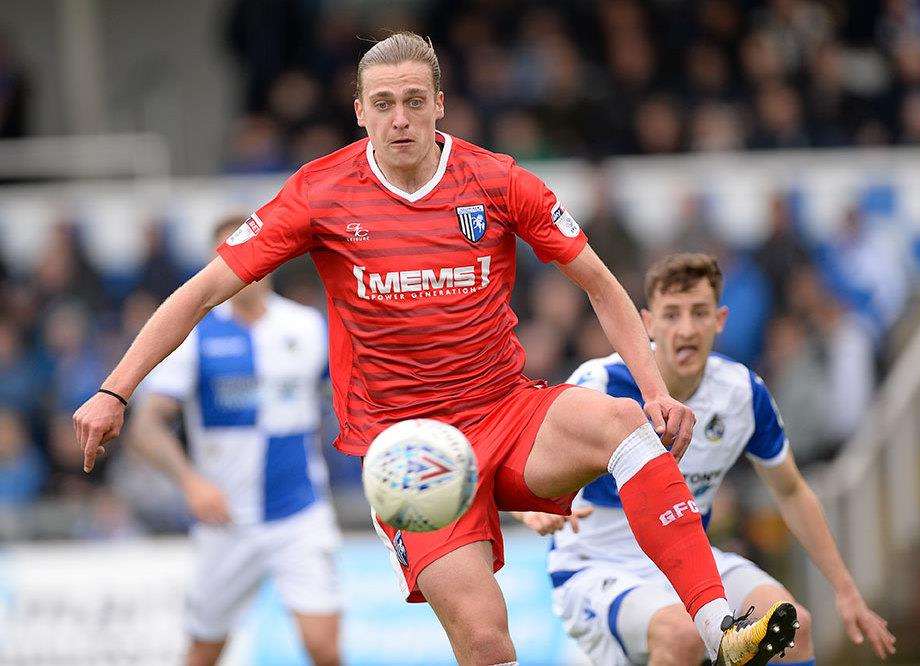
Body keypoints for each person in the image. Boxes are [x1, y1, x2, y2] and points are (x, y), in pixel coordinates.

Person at [74, 32, 795, 666]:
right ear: (358, 111)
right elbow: (199, 293)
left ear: (440, 104)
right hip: (412, 454)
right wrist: (116, 389)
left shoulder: (498, 181)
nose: (399, 119)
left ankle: (717, 625)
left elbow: (602, 286)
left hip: (508, 413)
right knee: (486, 645)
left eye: (414, 101)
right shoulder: (321, 194)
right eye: (382, 102)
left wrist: (656, 388)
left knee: (625, 422)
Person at [516, 253, 896, 665]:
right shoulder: (602, 383)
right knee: (683, 635)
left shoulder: (741, 393)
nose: (686, 329)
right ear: (646, 322)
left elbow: (791, 490)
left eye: (699, 313)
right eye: (672, 314)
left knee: (796, 628)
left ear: (720, 320)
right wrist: (531, 512)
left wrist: (844, 588)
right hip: (597, 567)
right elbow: (521, 457)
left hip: (689, 561)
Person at [127, 217, 342, 666]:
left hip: (299, 513)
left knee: (323, 646)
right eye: (226, 255)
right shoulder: (193, 335)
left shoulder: (307, 327)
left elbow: (349, 398)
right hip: (226, 520)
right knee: (205, 651)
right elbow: (145, 427)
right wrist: (190, 483)